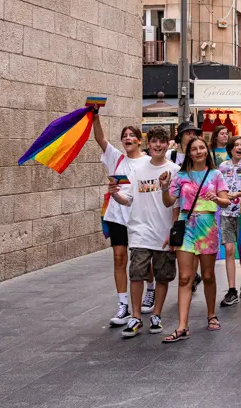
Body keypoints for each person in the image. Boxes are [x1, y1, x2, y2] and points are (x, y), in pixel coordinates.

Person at [105, 126, 180, 338]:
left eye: (161, 142)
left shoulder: (174, 170)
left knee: (163, 276)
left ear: (167, 145)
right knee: (137, 273)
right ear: (148, 144)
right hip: (139, 230)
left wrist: (173, 231)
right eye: (154, 141)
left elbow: (176, 204)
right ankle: (136, 317)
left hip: (163, 232)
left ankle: (156, 314)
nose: (157, 145)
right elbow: (127, 198)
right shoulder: (137, 169)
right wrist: (115, 195)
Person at [161, 138, 230, 343]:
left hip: (207, 226)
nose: (198, 151)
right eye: (194, 149)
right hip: (186, 225)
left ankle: (211, 314)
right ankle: (182, 326)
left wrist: (216, 199)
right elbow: (168, 203)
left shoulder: (216, 174)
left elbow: (225, 202)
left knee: (208, 275)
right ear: (189, 153)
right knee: (185, 277)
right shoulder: (181, 176)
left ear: (206, 151)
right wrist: (164, 188)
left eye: (201, 148)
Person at [93, 112, 154, 327]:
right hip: (116, 216)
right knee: (119, 258)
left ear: (139, 140)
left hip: (140, 217)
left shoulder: (148, 162)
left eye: (132, 135)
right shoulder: (116, 157)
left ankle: (151, 290)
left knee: (143, 260)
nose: (127, 138)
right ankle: (123, 305)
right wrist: (94, 117)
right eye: (124, 136)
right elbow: (100, 139)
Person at [218, 136, 241, 307]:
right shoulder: (222, 167)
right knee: (229, 250)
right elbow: (218, 186)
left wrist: (238, 195)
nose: (239, 147)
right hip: (226, 212)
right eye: (236, 145)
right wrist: (224, 196)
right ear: (230, 148)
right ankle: (232, 289)